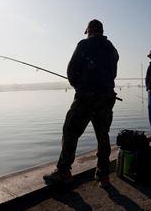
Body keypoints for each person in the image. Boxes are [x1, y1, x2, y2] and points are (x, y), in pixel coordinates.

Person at [43, 19, 119, 188]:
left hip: (86, 98)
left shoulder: (84, 45)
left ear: (90, 30)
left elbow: (71, 71)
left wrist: (80, 86)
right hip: (107, 98)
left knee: (70, 131)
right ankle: (103, 174)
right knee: (103, 135)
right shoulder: (112, 50)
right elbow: (112, 74)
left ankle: (64, 171)